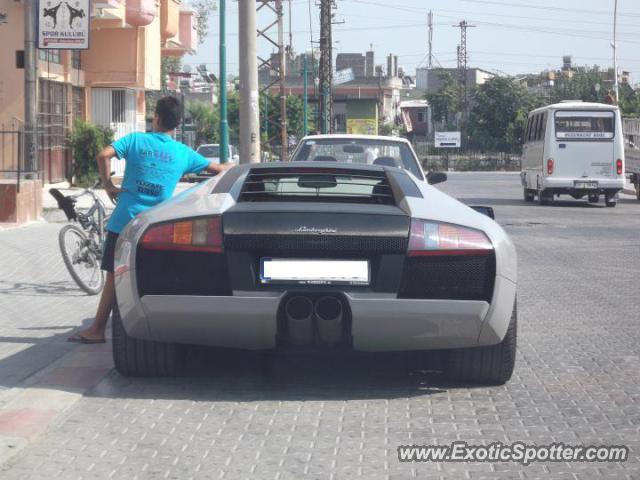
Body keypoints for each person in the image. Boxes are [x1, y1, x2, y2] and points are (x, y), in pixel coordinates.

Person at [68, 96, 233, 343]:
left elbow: (103, 155)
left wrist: (108, 185)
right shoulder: (183, 153)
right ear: (177, 125)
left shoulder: (136, 140)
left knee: (115, 276)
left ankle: (98, 329)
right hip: (155, 226)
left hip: (123, 220)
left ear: (155, 118)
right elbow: (220, 171)